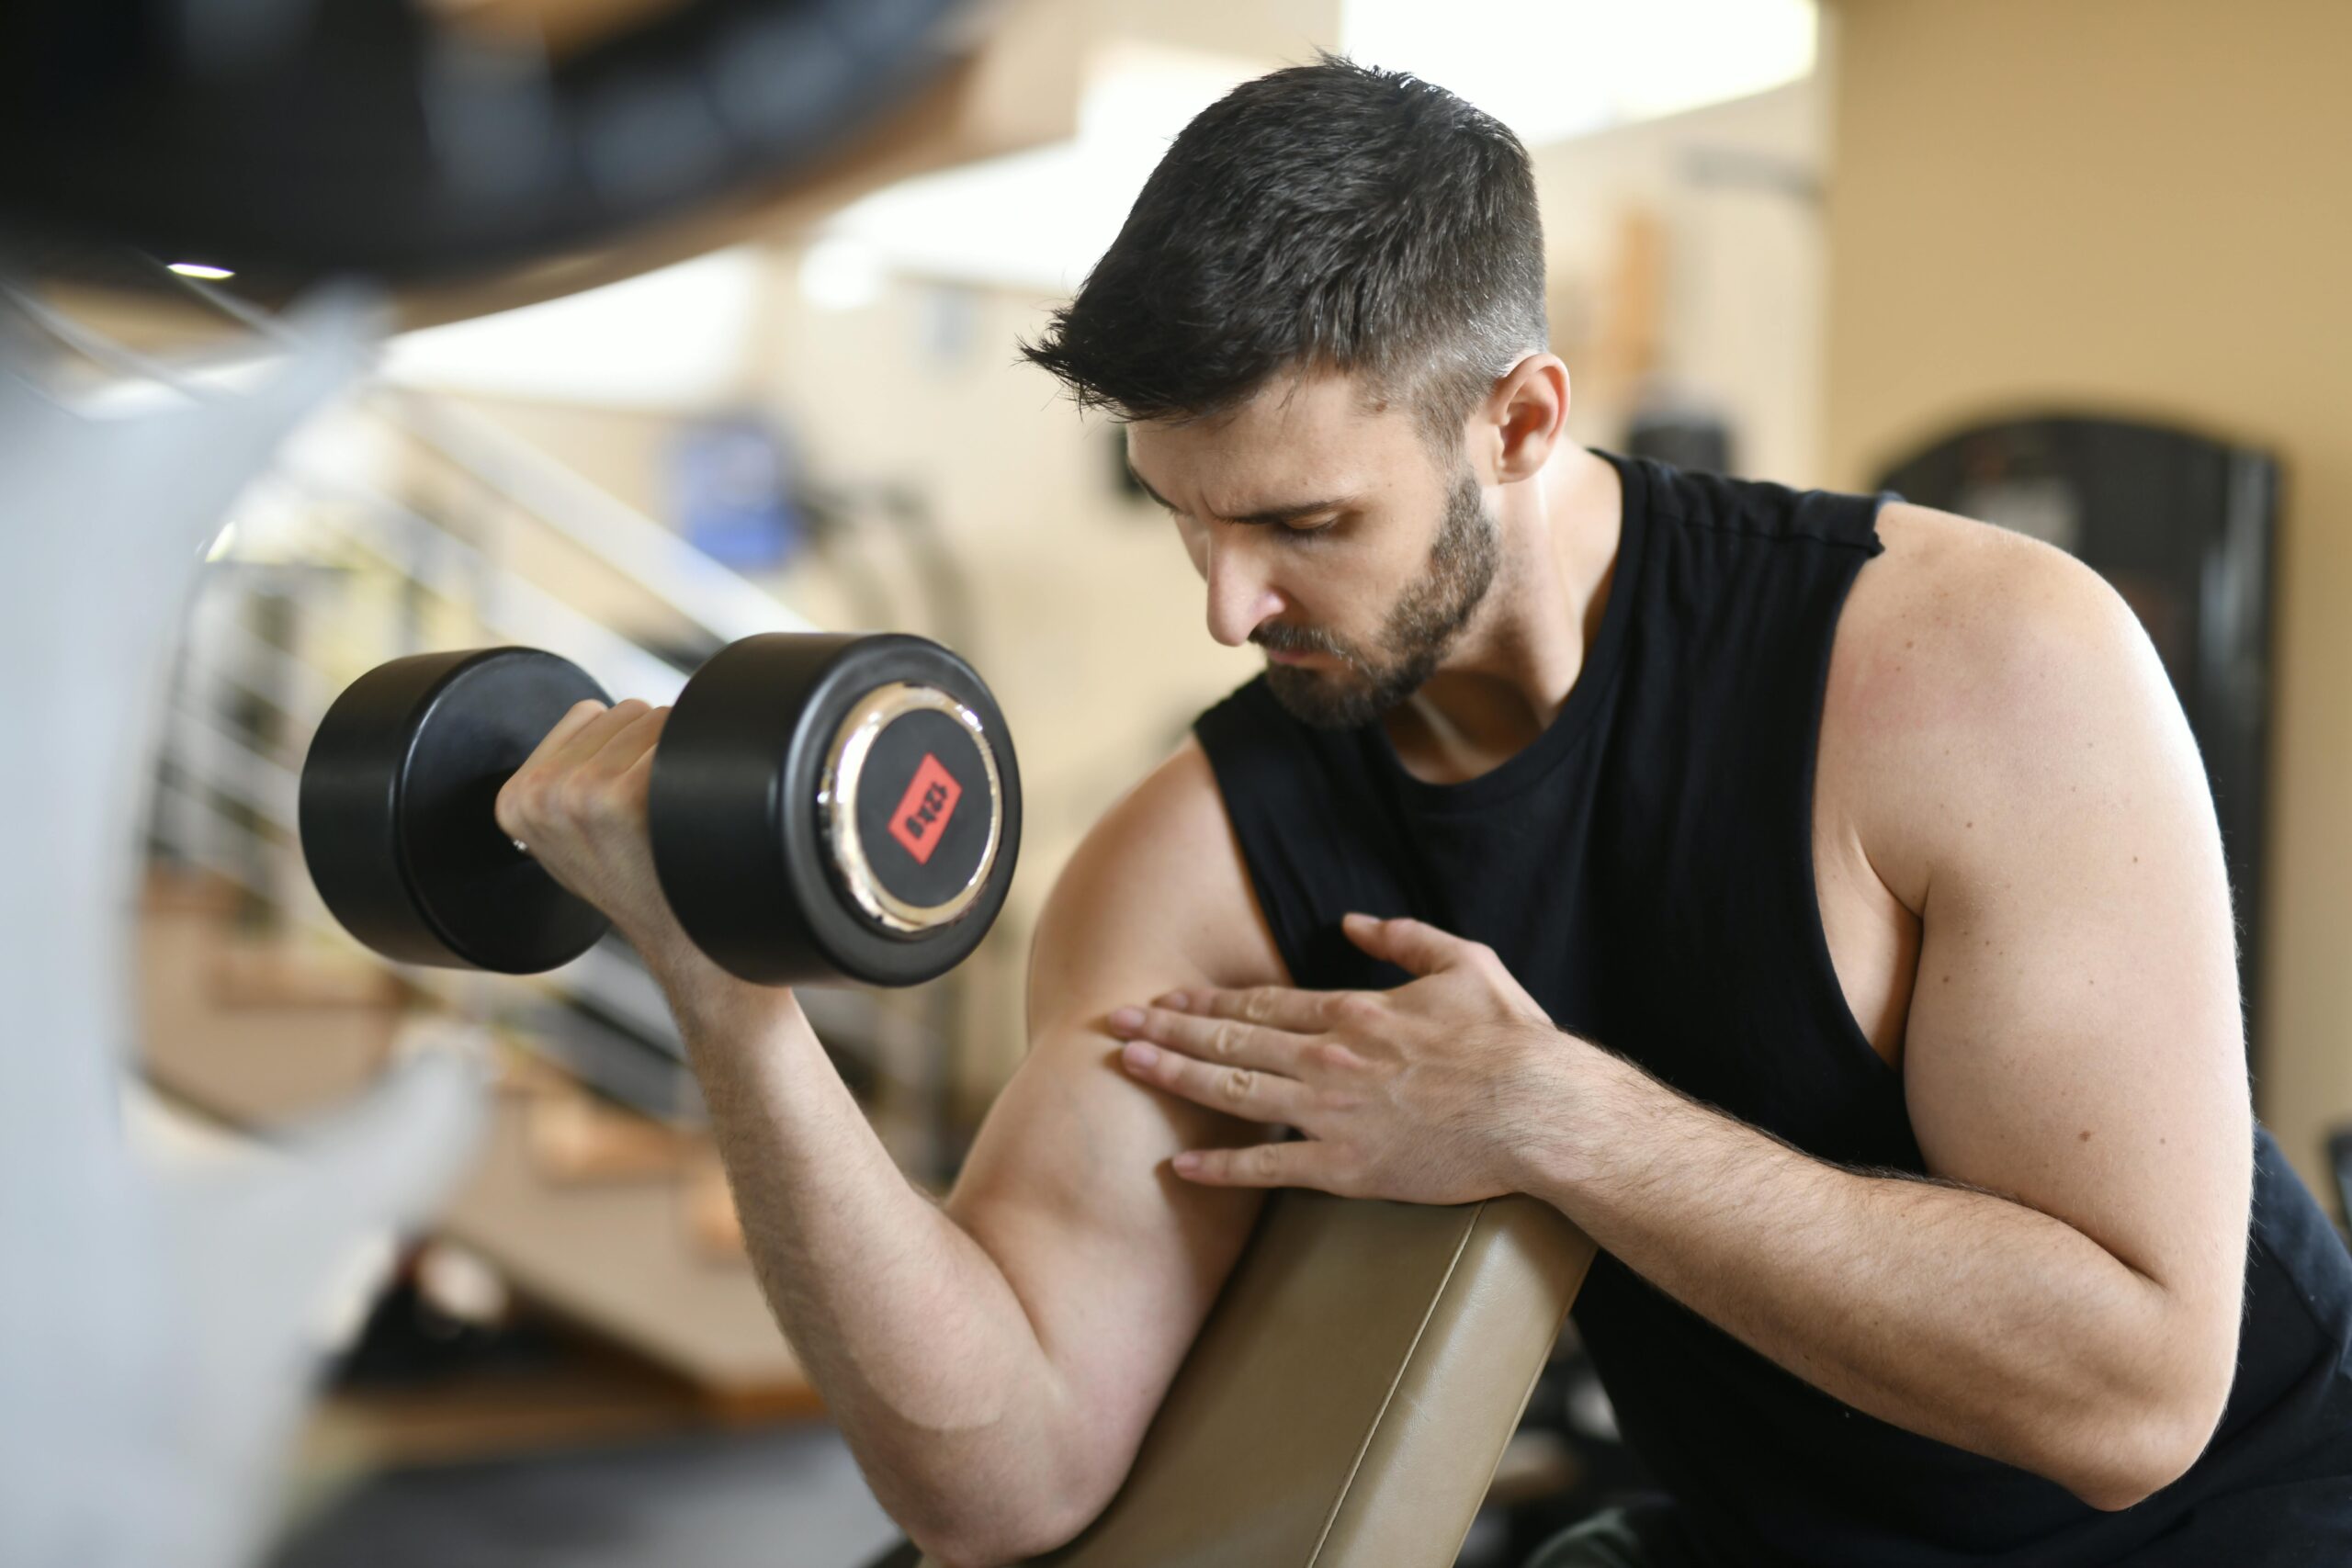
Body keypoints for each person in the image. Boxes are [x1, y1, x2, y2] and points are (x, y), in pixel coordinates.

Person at [492, 56, 2352, 1568]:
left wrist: (1547, 1116)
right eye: (1182, 518)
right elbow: (1000, 1473)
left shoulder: (1966, 668)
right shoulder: (1200, 849)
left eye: (1301, 525)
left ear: (1521, 418)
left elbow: (2130, 1399)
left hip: (2253, 1510)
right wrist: (726, 998)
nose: (1224, 608)